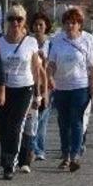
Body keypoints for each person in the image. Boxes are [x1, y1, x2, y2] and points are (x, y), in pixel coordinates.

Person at [0, 4, 45, 180]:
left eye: (19, 19)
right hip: (2, 89)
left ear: (24, 22)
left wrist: (38, 94)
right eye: (11, 19)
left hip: (24, 88)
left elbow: (36, 69)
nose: (15, 22)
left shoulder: (31, 42)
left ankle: (9, 164)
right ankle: (6, 156)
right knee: (2, 127)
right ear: (7, 21)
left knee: (15, 126)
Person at [47, 7, 93, 172]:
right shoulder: (57, 40)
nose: (70, 26)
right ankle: (65, 155)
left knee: (76, 120)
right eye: (67, 23)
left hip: (80, 86)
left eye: (74, 23)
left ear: (79, 25)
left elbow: (92, 66)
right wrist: (50, 78)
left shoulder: (87, 39)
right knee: (63, 121)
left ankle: (75, 155)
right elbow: (52, 63)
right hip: (61, 86)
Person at [30, 12, 54, 162]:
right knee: (33, 117)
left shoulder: (51, 44)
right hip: (32, 83)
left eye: (41, 25)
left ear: (46, 27)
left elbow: (54, 63)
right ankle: (31, 148)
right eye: (36, 25)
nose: (38, 27)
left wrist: (45, 61)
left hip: (47, 84)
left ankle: (39, 149)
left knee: (43, 117)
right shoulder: (29, 42)